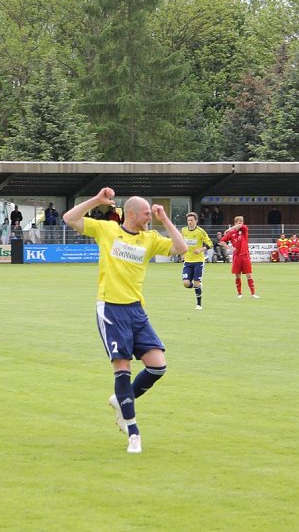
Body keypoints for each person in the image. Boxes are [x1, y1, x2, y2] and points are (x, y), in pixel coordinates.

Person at [63, 188, 187, 454]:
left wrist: (165, 219)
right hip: (111, 308)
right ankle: (133, 432)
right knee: (122, 368)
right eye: (145, 214)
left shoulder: (150, 239)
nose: (148, 218)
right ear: (130, 214)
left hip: (136, 310)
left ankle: (121, 401)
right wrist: (97, 200)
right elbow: (70, 218)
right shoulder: (108, 231)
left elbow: (181, 248)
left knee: (158, 366)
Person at [219, 216, 258, 298]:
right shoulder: (232, 233)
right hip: (236, 257)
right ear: (235, 223)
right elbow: (221, 241)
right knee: (237, 275)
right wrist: (229, 248)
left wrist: (229, 229)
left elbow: (240, 226)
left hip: (245, 256)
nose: (240, 224)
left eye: (241, 222)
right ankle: (239, 294)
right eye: (238, 222)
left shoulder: (244, 230)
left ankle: (253, 293)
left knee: (249, 275)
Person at [180, 212, 213, 310]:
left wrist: (200, 249)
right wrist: (182, 253)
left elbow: (210, 243)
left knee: (196, 282)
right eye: (188, 220)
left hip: (198, 261)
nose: (189, 222)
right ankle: (197, 286)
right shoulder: (184, 230)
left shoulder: (200, 231)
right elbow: (182, 242)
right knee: (186, 284)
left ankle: (199, 304)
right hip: (187, 261)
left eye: (191, 220)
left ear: (196, 221)